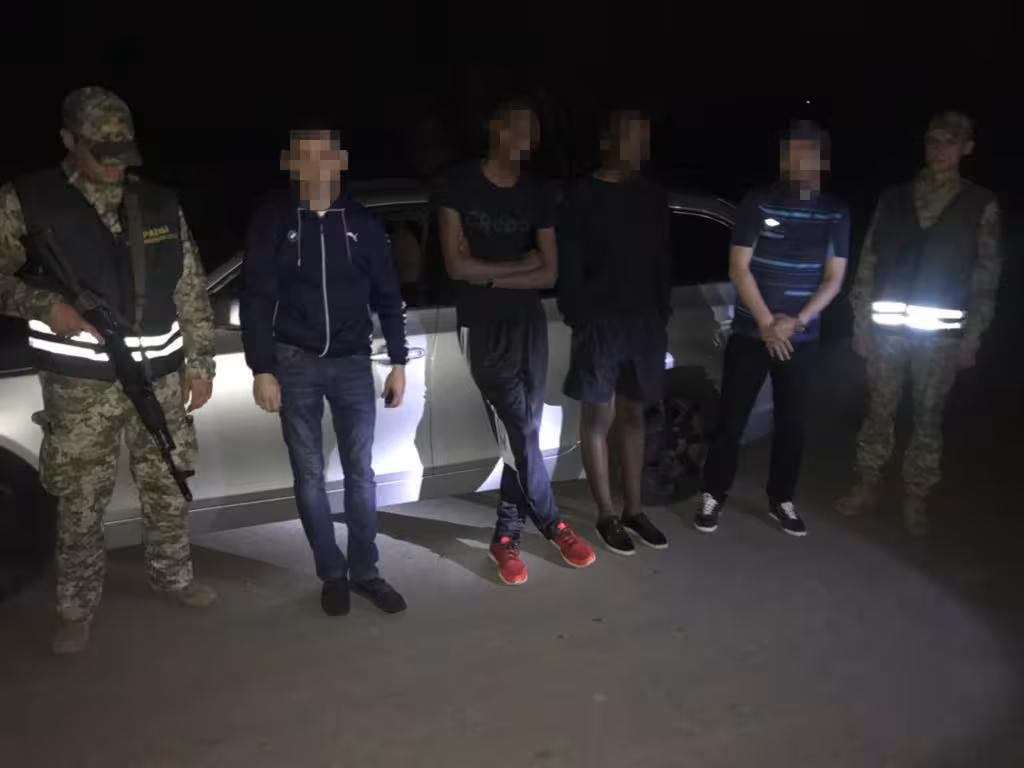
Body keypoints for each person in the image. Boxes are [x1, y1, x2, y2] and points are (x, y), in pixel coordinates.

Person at [0, 87, 218, 655]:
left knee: (168, 484)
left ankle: (173, 577)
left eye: (124, 151)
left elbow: (189, 287)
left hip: (160, 379)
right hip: (80, 388)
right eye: (102, 152)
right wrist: (43, 304)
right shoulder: (28, 200)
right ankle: (75, 610)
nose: (116, 164)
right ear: (68, 141)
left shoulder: (158, 203)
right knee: (80, 502)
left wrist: (199, 362)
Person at [241, 126, 408, 616]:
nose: (315, 167)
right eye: (304, 157)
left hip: (353, 362)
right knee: (309, 474)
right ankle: (332, 575)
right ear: (290, 164)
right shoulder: (273, 221)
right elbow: (256, 297)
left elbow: (388, 295)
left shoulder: (362, 223)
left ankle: (366, 571)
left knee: (361, 473)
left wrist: (398, 361)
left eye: (324, 156)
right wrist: (262, 367)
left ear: (341, 161)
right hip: (295, 362)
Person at [435, 99, 596, 586]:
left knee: (523, 432)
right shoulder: (457, 184)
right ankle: (554, 524)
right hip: (482, 325)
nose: (532, 139)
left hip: (528, 323)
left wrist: (489, 274)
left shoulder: (536, 192)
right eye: (523, 129)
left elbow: (550, 271)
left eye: (535, 130)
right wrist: (519, 267)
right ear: (497, 130)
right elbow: (455, 267)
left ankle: (505, 536)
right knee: (522, 431)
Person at [837, 112, 1001, 535]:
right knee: (878, 411)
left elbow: (985, 278)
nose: (939, 149)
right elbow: (868, 262)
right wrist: (861, 326)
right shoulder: (894, 198)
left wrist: (972, 339)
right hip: (887, 332)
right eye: (933, 140)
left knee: (928, 418)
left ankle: (916, 496)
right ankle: (867, 483)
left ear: (966, 148)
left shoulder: (980, 204)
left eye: (949, 141)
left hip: (941, 338)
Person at [695, 120, 849, 537]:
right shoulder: (758, 202)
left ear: (822, 160)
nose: (795, 163)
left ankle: (782, 498)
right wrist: (767, 323)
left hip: (802, 338)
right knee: (731, 420)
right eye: (789, 154)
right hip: (751, 331)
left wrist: (794, 323)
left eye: (805, 154)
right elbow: (739, 267)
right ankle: (713, 493)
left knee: (792, 423)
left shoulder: (835, 211)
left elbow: (834, 279)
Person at [558, 109, 672, 555]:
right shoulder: (582, 194)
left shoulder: (651, 194)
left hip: (644, 322)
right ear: (609, 142)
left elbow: (663, 258)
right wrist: (578, 314)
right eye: (632, 138)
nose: (640, 147)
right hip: (600, 322)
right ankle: (606, 514)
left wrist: (661, 312)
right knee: (598, 418)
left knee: (634, 415)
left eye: (645, 139)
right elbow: (569, 261)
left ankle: (634, 509)